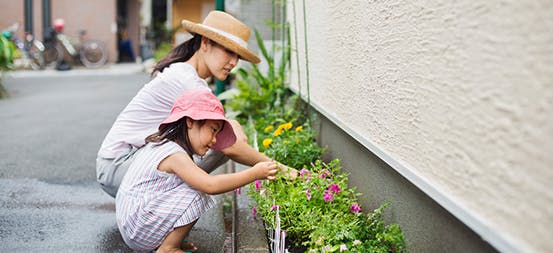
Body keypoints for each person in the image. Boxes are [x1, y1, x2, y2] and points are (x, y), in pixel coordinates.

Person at [96, 10, 295, 198]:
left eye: (238, 56)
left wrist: (231, 125)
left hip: (126, 163)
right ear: (206, 43)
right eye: (229, 52)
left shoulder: (184, 73)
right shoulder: (188, 82)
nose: (234, 62)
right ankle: (167, 209)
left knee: (220, 131)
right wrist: (284, 171)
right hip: (119, 166)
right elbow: (230, 146)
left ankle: (166, 205)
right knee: (220, 140)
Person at [116, 89, 279, 252]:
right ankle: (169, 248)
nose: (214, 140)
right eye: (213, 130)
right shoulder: (174, 155)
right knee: (197, 192)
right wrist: (254, 174)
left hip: (132, 223)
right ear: (190, 121)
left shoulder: (163, 145)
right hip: (138, 228)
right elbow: (211, 185)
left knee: (192, 187)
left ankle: (170, 242)